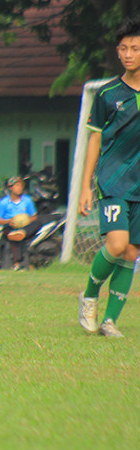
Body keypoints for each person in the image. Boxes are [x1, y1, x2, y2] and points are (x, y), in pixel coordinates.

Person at [77, 17, 140, 338]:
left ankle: (109, 321)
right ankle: (89, 296)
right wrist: (86, 186)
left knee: (131, 251)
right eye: (124, 48)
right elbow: (95, 140)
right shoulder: (107, 94)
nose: (129, 54)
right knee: (117, 245)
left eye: (136, 49)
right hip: (113, 181)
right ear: (117, 51)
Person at [0, 176, 37, 271]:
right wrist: (10, 221)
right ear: (11, 188)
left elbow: (34, 217)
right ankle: (17, 263)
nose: (19, 188)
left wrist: (26, 220)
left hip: (25, 226)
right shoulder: (4, 202)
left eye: (20, 186)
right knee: (14, 235)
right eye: (16, 186)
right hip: (9, 225)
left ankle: (20, 263)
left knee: (26, 230)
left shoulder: (27, 201)